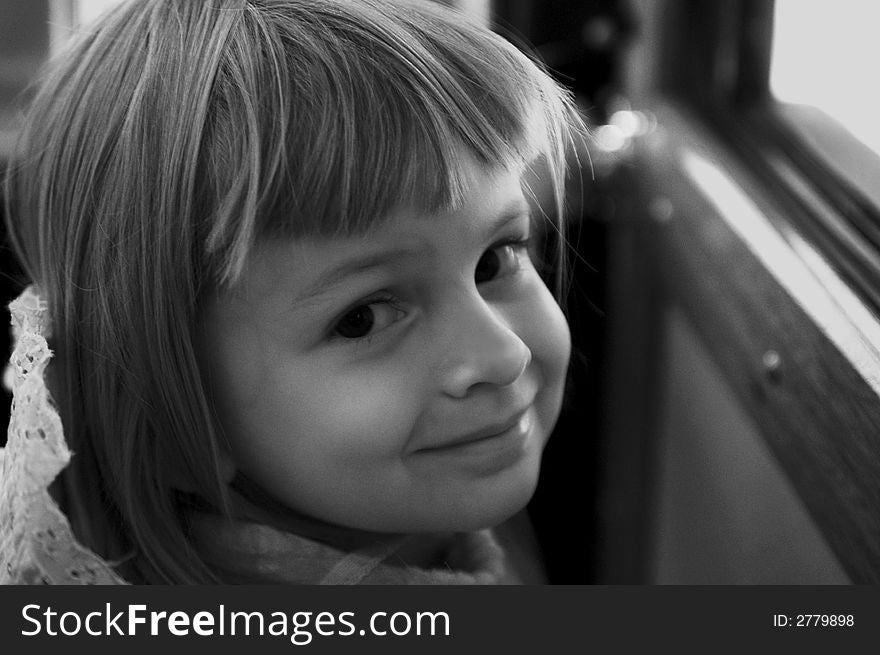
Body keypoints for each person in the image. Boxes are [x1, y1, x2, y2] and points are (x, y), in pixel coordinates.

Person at [1, 0, 586, 584]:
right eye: (363, 317)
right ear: (173, 425)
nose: (505, 355)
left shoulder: (445, 516)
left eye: (494, 260)